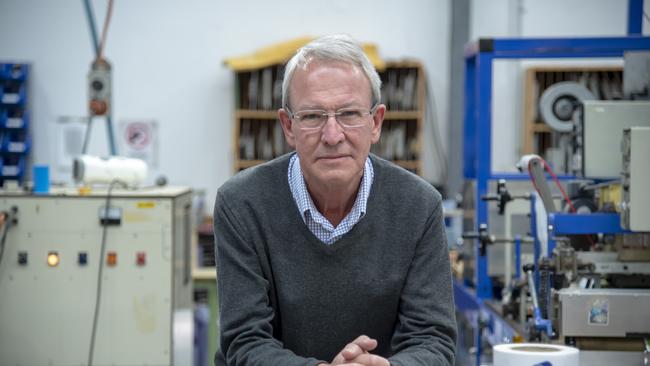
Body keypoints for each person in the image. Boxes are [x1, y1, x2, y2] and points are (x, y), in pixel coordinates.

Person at [214, 34, 456, 366]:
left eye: (349, 114)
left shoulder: (419, 206)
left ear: (376, 123)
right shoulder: (241, 204)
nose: (332, 135)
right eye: (313, 117)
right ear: (288, 126)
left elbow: (433, 340)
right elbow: (243, 341)